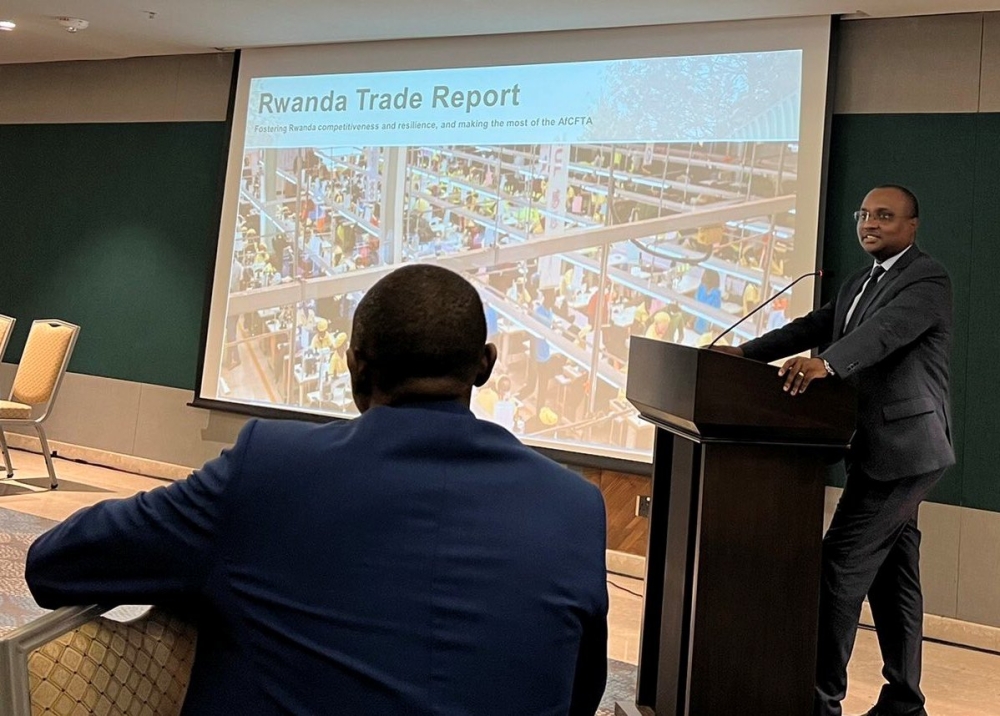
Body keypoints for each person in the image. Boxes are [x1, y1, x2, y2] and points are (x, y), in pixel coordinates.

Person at [25, 264, 609, 716]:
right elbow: (578, 695)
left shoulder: (268, 469)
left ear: (355, 366)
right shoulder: (576, 507)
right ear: (485, 365)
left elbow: (56, 563)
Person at [712, 185, 953, 716]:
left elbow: (884, 333)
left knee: (840, 566)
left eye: (885, 216)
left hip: (906, 450)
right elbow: (815, 326)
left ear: (912, 225)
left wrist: (828, 364)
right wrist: (746, 354)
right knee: (894, 576)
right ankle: (904, 703)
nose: (870, 223)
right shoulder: (860, 281)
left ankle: (820, 702)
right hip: (881, 450)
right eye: (864, 214)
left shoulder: (927, 279)